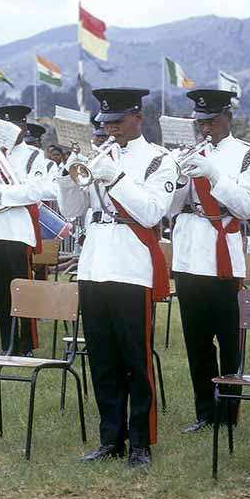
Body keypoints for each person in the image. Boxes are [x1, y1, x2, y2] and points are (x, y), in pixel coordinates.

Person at [56, 88, 177, 468]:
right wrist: (66, 177)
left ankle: (141, 441)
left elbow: (152, 213)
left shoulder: (159, 159)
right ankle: (112, 438)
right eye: (105, 123)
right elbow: (72, 209)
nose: (110, 130)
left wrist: (116, 178)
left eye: (117, 122)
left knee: (135, 359)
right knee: (103, 359)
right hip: (94, 263)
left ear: (137, 119)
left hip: (131, 264)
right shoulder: (99, 155)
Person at [167, 89, 250, 433]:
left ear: (228, 118)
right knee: (197, 340)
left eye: (211, 121)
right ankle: (205, 412)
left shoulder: (247, 154)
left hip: (224, 253)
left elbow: (247, 206)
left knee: (229, 339)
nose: (205, 128)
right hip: (190, 251)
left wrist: (214, 174)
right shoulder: (192, 151)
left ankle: (229, 412)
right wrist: (178, 177)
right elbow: (170, 208)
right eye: (200, 122)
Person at [0, 105, 50, 355]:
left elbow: (34, 191)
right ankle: (8, 343)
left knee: (22, 289)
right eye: (1, 128)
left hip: (19, 230)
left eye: (11, 128)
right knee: (3, 292)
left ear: (23, 128)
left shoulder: (33, 156)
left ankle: (26, 343)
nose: (5, 133)